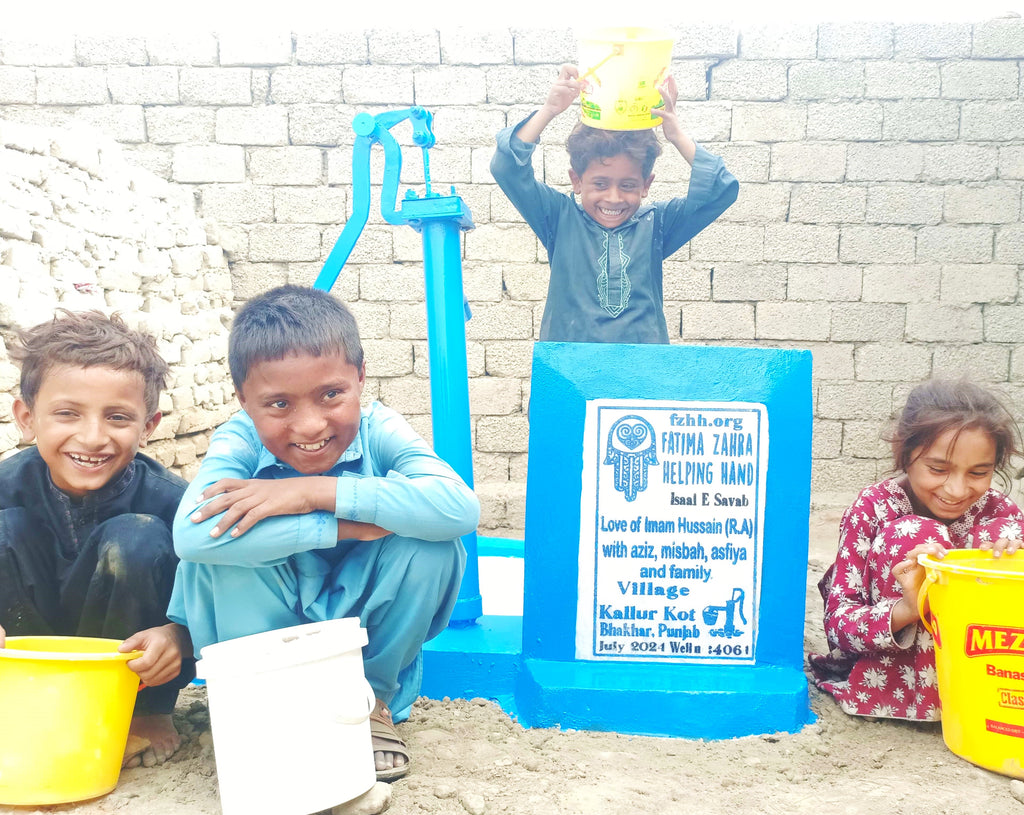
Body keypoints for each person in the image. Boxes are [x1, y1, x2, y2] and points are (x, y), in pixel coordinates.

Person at [168, 284, 477, 783]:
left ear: (360, 378)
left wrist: (312, 491)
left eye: (331, 394)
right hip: (272, 621)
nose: (310, 426)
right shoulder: (238, 441)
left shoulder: (381, 429)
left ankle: (371, 702)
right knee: (216, 555)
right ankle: (267, 710)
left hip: (360, 623)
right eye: (279, 404)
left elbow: (459, 508)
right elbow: (191, 537)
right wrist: (333, 526)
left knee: (433, 541)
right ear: (244, 400)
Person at [0, 310, 194, 768]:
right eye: (67, 413)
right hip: (33, 662)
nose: (92, 437)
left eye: (118, 417)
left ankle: (142, 712)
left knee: (137, 538)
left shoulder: (175, 503)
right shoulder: (7, 485)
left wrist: (180, 636)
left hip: (131, 670)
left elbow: (217, 592)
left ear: (149, 426)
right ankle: (33, 705)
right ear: (27, 417)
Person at [809, 379, 1024, 721]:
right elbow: (839, 627)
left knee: (1005, 538)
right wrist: (909, 608)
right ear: (906, 455)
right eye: (938, 469)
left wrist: (1005, 568)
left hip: (975, 676)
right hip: (884, 675)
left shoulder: (1000, 514)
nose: (956, 489)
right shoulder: (873, 509)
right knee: (915, 534)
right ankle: (916, 698)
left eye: (979, 472)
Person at [490, 64, 739, 344]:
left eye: (628, 185)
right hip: (570, 375)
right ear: (577, 181)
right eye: (600, 184)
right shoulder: (559, 218)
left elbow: (722, 189)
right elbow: (506, 167)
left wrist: (677, 135)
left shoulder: (657, 224)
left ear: (646, 185)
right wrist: (549, 110)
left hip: (643, 377)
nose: (613, 198)